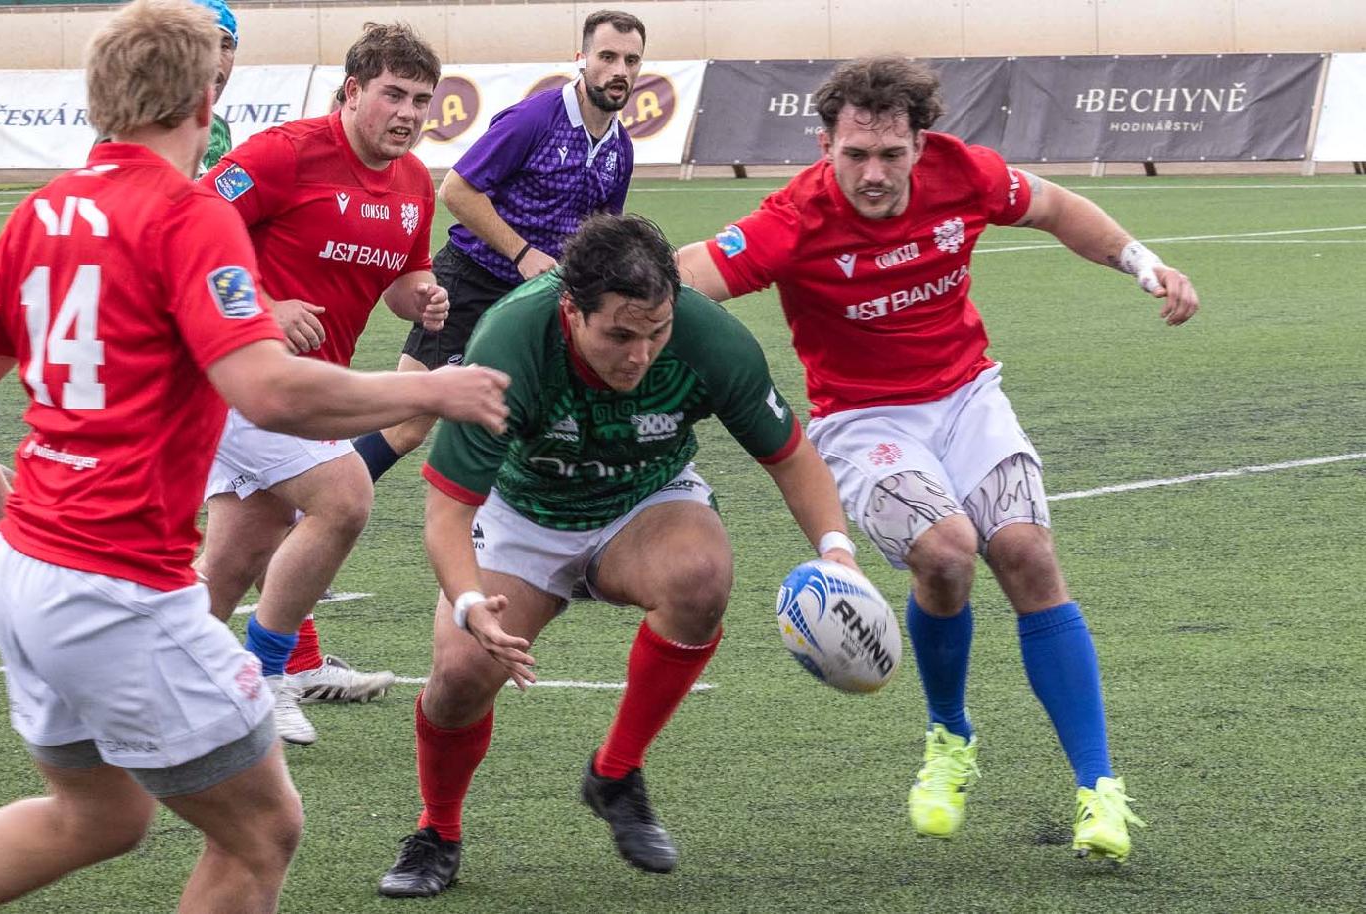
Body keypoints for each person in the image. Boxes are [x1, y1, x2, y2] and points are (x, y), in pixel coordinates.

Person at [0, 2, 507, 910]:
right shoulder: (187, 213)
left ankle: (279, 660)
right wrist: (431, 391)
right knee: (262, 831)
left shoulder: (41, 211)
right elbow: (269, 391)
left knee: (97, 818)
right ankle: (276, 668)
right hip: (117, 583)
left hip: (30, 569)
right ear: (205, 98)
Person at [677, 56, 1200, 865]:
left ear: (921, 145)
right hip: (862, 420)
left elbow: (1057, 207)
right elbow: (686, 276)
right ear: (824, 145)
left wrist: (1142, 261)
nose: (872, 174)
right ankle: (949, 737)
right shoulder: (793, 218)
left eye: (891, 154)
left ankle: (1098, 788)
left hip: (965, 399)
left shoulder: (966, 173)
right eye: (854, 155)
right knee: (946, 554)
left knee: (1026, 553)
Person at [376, 214, 860, 898]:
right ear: (572, 310)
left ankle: (615, 772)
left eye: (656, 332)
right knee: (460, 674)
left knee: (700, 576)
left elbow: (791, 457)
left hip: (644, 499)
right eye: (620, 336)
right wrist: (469, 603)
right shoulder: (508, 343)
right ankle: (438, 830)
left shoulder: (708, 338)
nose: (640, 354)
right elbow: (448, 512)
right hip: (523, 511)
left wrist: (837, 552)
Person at [195, 22, 449, 745]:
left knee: (237, 557)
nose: (407, 113)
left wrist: (423, 297)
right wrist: (264, 305)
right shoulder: (285, 152)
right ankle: (270, 675)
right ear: (352, 91)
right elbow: (192, 227)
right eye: (393, 94)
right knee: (344, 495)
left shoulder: (413, 183)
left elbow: (404, 279)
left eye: (421, 100)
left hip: (306, 386)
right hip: (235, 370)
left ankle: (150, 684)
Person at [351, 9, 644, 483]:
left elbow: (601, 238)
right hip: (470, 281)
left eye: (631, 61)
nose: (619, 71)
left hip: (538, 301)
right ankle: (322, 492)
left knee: (543, 421)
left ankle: (525, 521)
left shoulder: (620, 149)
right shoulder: (535, 118)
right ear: (582, 59)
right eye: (607, 57)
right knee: (408, 423)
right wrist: (522, 252)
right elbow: (457, 190)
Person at [197, 0, 239, 173]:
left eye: (225, 46)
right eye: (204, 44)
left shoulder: (219, 129)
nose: (215, 61)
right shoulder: (138, 129)